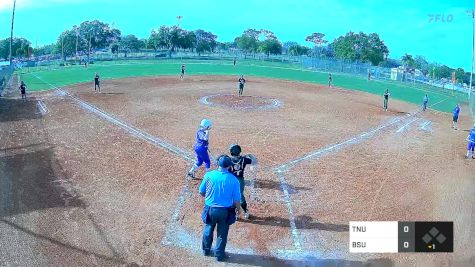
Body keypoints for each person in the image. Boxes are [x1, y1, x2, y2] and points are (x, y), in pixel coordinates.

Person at [199, 155, 241, 262]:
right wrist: (239, 210)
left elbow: (201, 191)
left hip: (210, 209)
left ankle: (206, 250)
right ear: (229, 166)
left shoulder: (209, 175)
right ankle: (219, 255)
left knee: (208, 228)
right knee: (222, 233)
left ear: (218, 164)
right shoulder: (234, 180)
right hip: (225, 211)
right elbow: (236, 200)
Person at [228, 144, 257, 219]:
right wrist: (250, 155)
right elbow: (255, 161)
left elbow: (218, 164)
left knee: (232, 196)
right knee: (240, 196)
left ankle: (235, 213)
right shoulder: (244, 159)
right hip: (240, 181)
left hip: (231, 181)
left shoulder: (228, 160)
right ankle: (246, 211)